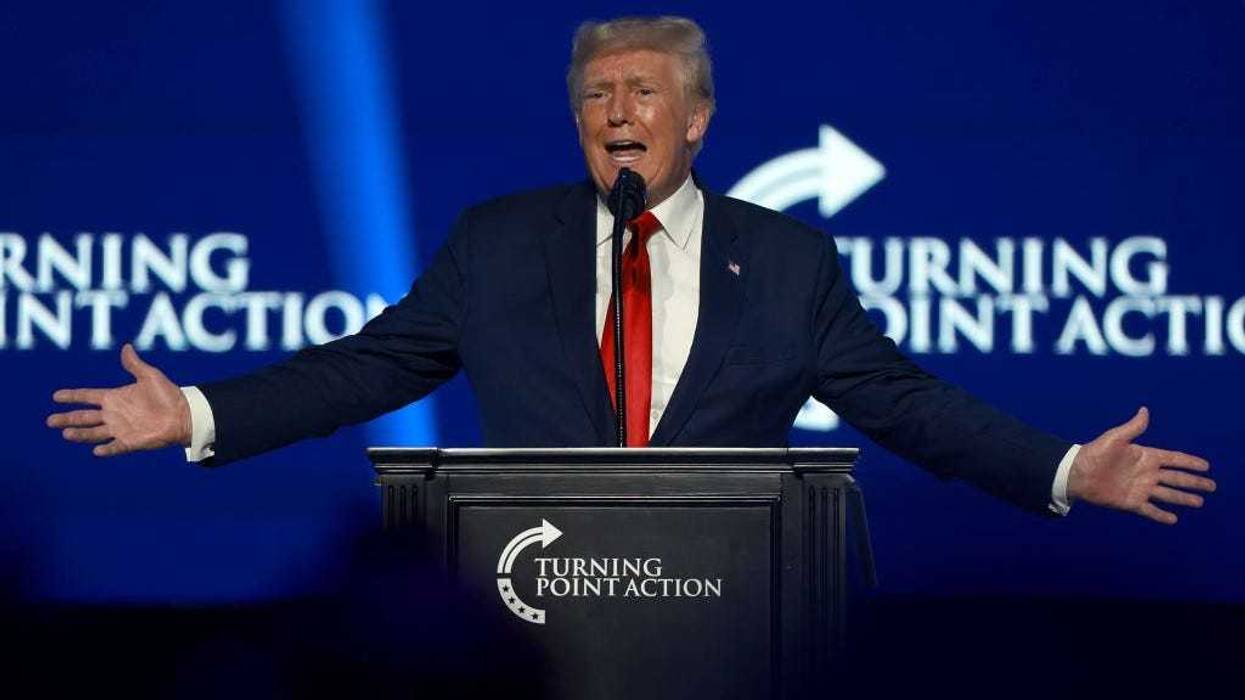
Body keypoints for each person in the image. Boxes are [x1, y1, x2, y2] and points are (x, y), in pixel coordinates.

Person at [47, 16, 1213, 522]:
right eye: (596, 95)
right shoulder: (500, 243)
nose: (617, 110)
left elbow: (905, 404)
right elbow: (369, 369)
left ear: (697, 120)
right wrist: (199, 409)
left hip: (728, 633)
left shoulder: (791, 259)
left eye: (642, 90)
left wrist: (1061, 469)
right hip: (536, 619)